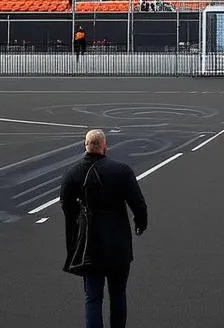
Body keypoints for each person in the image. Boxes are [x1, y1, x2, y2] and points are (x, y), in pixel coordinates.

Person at [61, 129, 147, 328]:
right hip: (118, 245)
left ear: (85, 146)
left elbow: (66, 205)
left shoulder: (73, 173)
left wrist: (78, 225)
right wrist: (140, 224)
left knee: (93, 297)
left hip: (90, 246)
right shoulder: (122, 171)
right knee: (118, 294)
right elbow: (138, 205)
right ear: (104, 147)